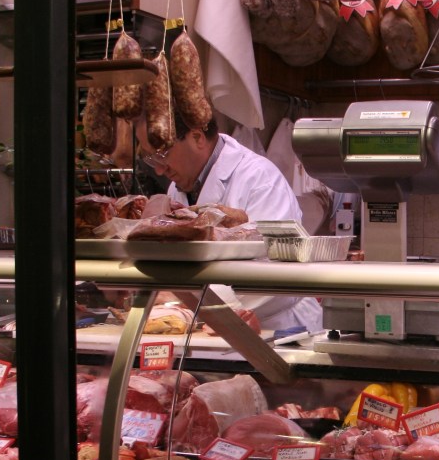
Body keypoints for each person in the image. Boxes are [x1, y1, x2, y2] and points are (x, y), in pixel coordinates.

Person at [134, 109, 322, 332]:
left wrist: (185, 297)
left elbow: (275, 275)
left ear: (197, 138)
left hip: (276, 330)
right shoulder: (179, 185)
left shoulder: (260, 179)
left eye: (161, 154)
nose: (157, 168)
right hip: (211, 327)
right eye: (149, 157)